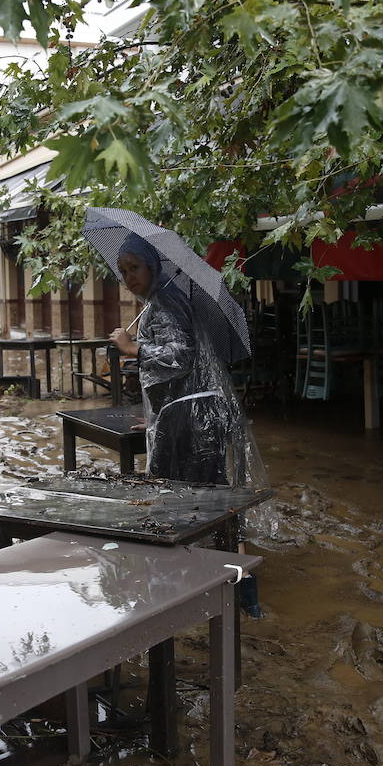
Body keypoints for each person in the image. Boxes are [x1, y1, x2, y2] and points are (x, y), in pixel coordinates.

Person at [108, 233, 264, 613]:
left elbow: (181, 356)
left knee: (178, 505)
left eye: (134, 268)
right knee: (212, 501)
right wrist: (157, 420)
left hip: (191, 420)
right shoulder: (163, 300)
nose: (129, 277)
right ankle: (234, 591)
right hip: (192, 415)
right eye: (123, 271)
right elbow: (185, 373)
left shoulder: (165, 301)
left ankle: (181, 592)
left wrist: (133, 348)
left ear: (152, 266)